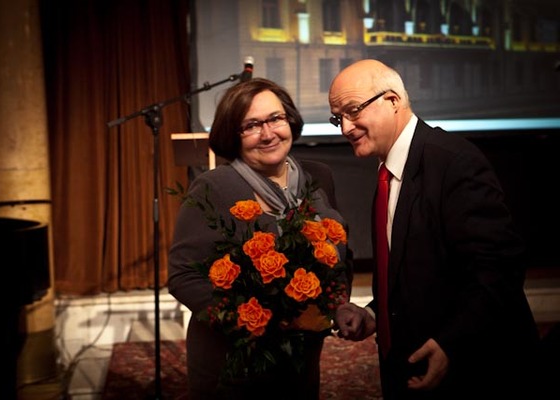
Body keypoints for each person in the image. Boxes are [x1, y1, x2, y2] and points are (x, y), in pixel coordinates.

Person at [329, 59, 541, 399]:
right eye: (337, 118)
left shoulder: (454, 162)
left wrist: (452, 343)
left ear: (393, 100)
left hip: (473, 370)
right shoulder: (388, 172)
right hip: (412, 366)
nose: (344, 128)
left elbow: (499, 270)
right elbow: (415, 272)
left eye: (353, 111)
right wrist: (373, 313)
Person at [168, 77, 352, 399]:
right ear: (232, 134)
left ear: (290, 120)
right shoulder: (214, 187)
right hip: (234, 365)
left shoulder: (319, 175)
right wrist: (251, 320)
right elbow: (182, 276)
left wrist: (337, 305)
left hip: (302, 359)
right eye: (251, 125)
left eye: (275, 118)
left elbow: (340, 255)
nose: (268, 134)